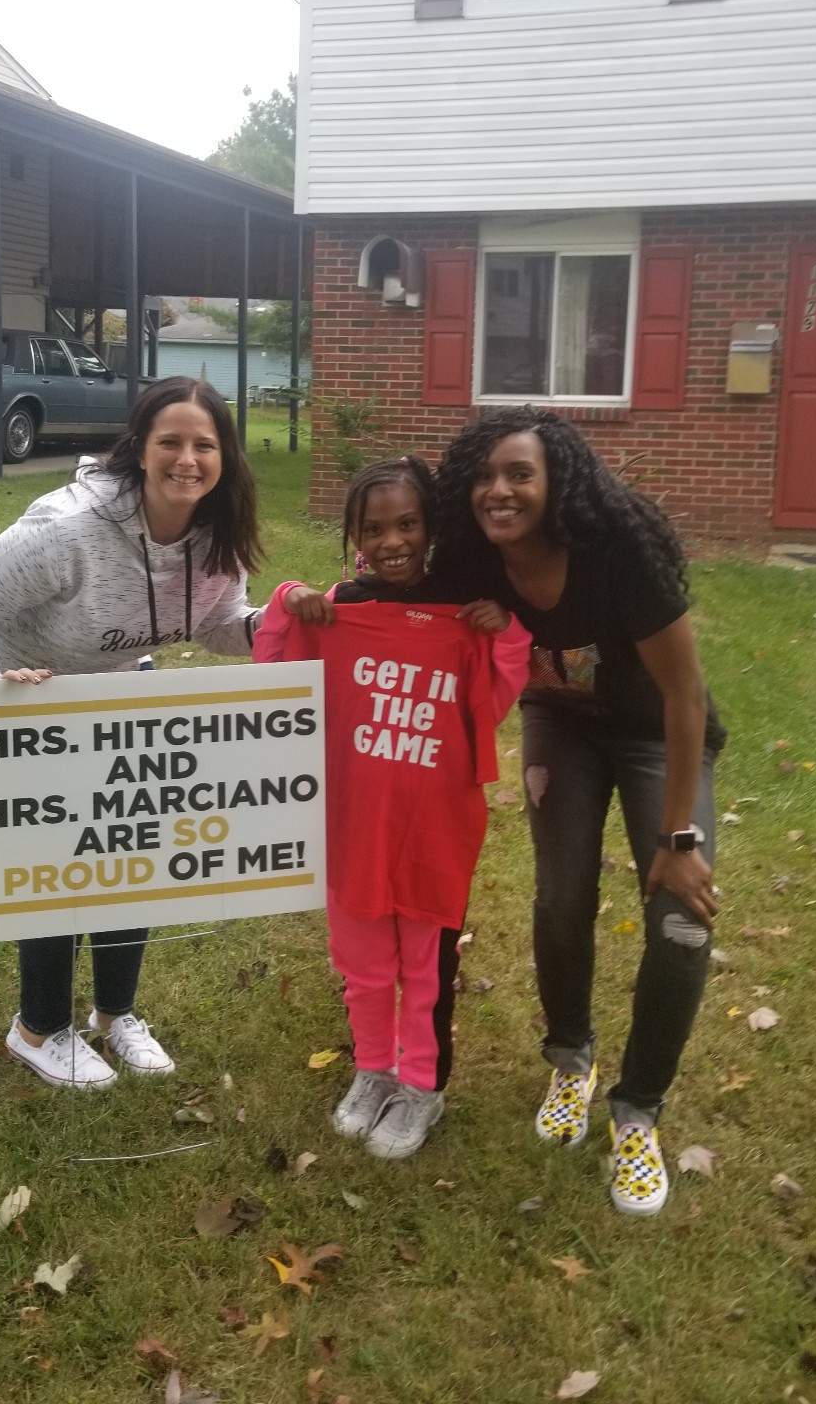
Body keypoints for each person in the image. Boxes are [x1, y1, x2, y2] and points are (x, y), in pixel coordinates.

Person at [0, 376, 263, 1090]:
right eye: (170, 441)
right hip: (5, 686)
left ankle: (116, 1015)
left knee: (130, 841)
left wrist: (285, 627)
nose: (187, 458)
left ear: (225, 455)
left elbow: (221, 628)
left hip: (102, 691)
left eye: (204, 444)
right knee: (63, 849)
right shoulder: (67, 528)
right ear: (139, 448)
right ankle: (38, 1028)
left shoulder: (215, 533)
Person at [431, 410, 724, 1216]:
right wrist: (322, 602)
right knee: (561, 898)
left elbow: (684, 696)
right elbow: (397, 598)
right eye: (486, 475)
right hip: (559, 724)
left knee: (680, 919)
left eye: (520, 473)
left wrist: (678, 839)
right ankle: (571, 1061)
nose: (500, 490)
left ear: (556, 482)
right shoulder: (472, 555)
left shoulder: (617, 553)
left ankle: (638, 1112)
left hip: (652, 735)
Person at [254, 456, 527, 1158]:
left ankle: (422, 1087)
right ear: (353, 533)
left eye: (407, 523)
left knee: (427, 972)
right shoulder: (340, 609)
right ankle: (373, 1071)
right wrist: (289, 598)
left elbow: (492, 705)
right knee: (364, 966)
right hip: (353, 829)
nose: (393, 540)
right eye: (374, 528)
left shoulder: (459, 614)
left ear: (430, 527)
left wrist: (502, 631)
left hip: (434, 836)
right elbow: (275, 678)